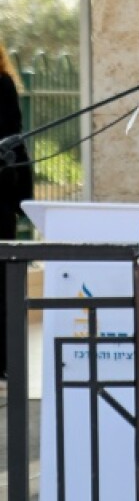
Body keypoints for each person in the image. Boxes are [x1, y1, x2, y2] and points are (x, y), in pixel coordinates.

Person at [0, 44, 34, 379]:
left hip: (0, 195)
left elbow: (12, 138)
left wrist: (21, 196)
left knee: (2, 281)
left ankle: (5, 361)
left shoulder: (3, 84)